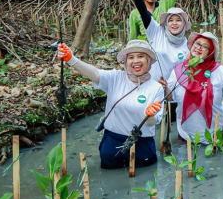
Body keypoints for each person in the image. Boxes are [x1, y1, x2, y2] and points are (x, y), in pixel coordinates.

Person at [56, 40, 163, 169]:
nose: (135, 61)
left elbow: (154, 122)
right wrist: (72, 60)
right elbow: (95, 73)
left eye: (140, 56)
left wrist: (149, 115)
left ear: (149, 60)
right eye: (131, 57)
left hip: (142, 144)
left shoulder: (156, 87)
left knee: (145, 183)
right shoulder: (115, 78)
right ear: (126, 61)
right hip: (113, 142)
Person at [161, 32, 223, 143]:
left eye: (205, 46)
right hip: (186, 134)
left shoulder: (219, 71)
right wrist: (165, 87)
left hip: (214, 135)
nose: (199, 48)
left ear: (211, 52)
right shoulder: (180, 70)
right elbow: (170, 98)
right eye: (197, 43)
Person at [127, 0, 190, 77]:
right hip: (147, 50)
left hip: (167, 48)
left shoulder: (186, 44)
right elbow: (133, 37)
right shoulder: (154, 30)